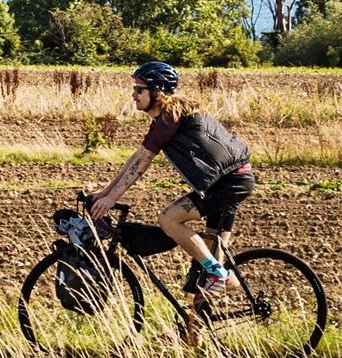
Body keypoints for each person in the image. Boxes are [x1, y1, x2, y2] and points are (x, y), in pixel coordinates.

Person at [83, 60, 256, 312]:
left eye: (139, 89)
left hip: (229, 184)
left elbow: (142, 162)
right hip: (227, 182)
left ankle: (220, 273)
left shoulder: (170, 116)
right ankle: (193, 333)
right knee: (202, 274)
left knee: (168, 219)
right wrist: (106, 193)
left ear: (157, 92)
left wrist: (110, 200)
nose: (134, 94)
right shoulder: (168, 117)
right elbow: (138, 156)